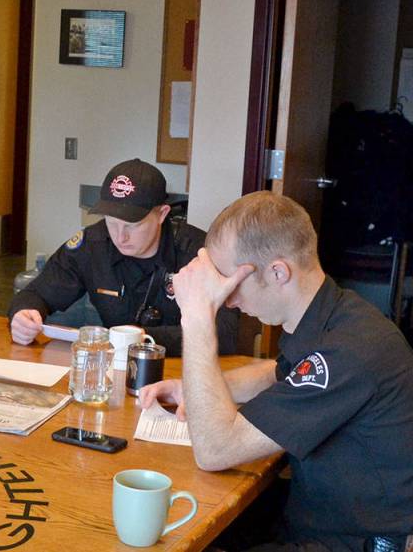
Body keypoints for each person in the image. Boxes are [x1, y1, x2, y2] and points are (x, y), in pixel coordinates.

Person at [141, 191, 413, 550]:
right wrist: (187, 387)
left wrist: (196, 317)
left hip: (358, 541)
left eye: (231, 282)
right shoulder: (335, 316)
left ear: (278, 272)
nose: (228, 299)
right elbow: (277, 373)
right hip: (313, 518)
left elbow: (215, 450)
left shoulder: (350, 351)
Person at [8, 158, 238, 355]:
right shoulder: (93, 244)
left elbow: (226, 332)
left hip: (184, 371)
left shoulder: (199, 252)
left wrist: (141, 339)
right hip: (114, 368)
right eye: (112, 222)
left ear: (162, 214)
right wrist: (23, 314)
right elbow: (37, 293)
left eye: (133, 225)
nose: (120, 236)